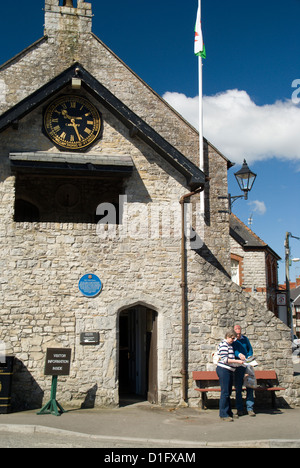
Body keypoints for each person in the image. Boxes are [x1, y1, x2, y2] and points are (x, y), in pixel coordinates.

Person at [216, 329, 245, 421]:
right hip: (224, 369)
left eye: (234, 339)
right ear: (227, 337)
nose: (233, 340)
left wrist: (239, 358)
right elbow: (225, 359)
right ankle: (223, 414)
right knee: (225, 392)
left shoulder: (229, 345)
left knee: (228, 392)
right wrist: (237, 361)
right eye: (232, 338)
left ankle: (228, 412)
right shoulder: (224, 345)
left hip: (229, 369)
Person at [232, 324, 255, 417]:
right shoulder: (233, 341)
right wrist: (239, 355)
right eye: (236, 333)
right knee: (238, 388)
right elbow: (234, 351)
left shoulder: (245, 339)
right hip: (238, 366)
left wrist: (249, 356)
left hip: (247, 365)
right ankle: (239, 409)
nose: (238, 334)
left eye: (239, 332)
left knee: (249, 386)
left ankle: (250, 408)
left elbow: (250, 349)